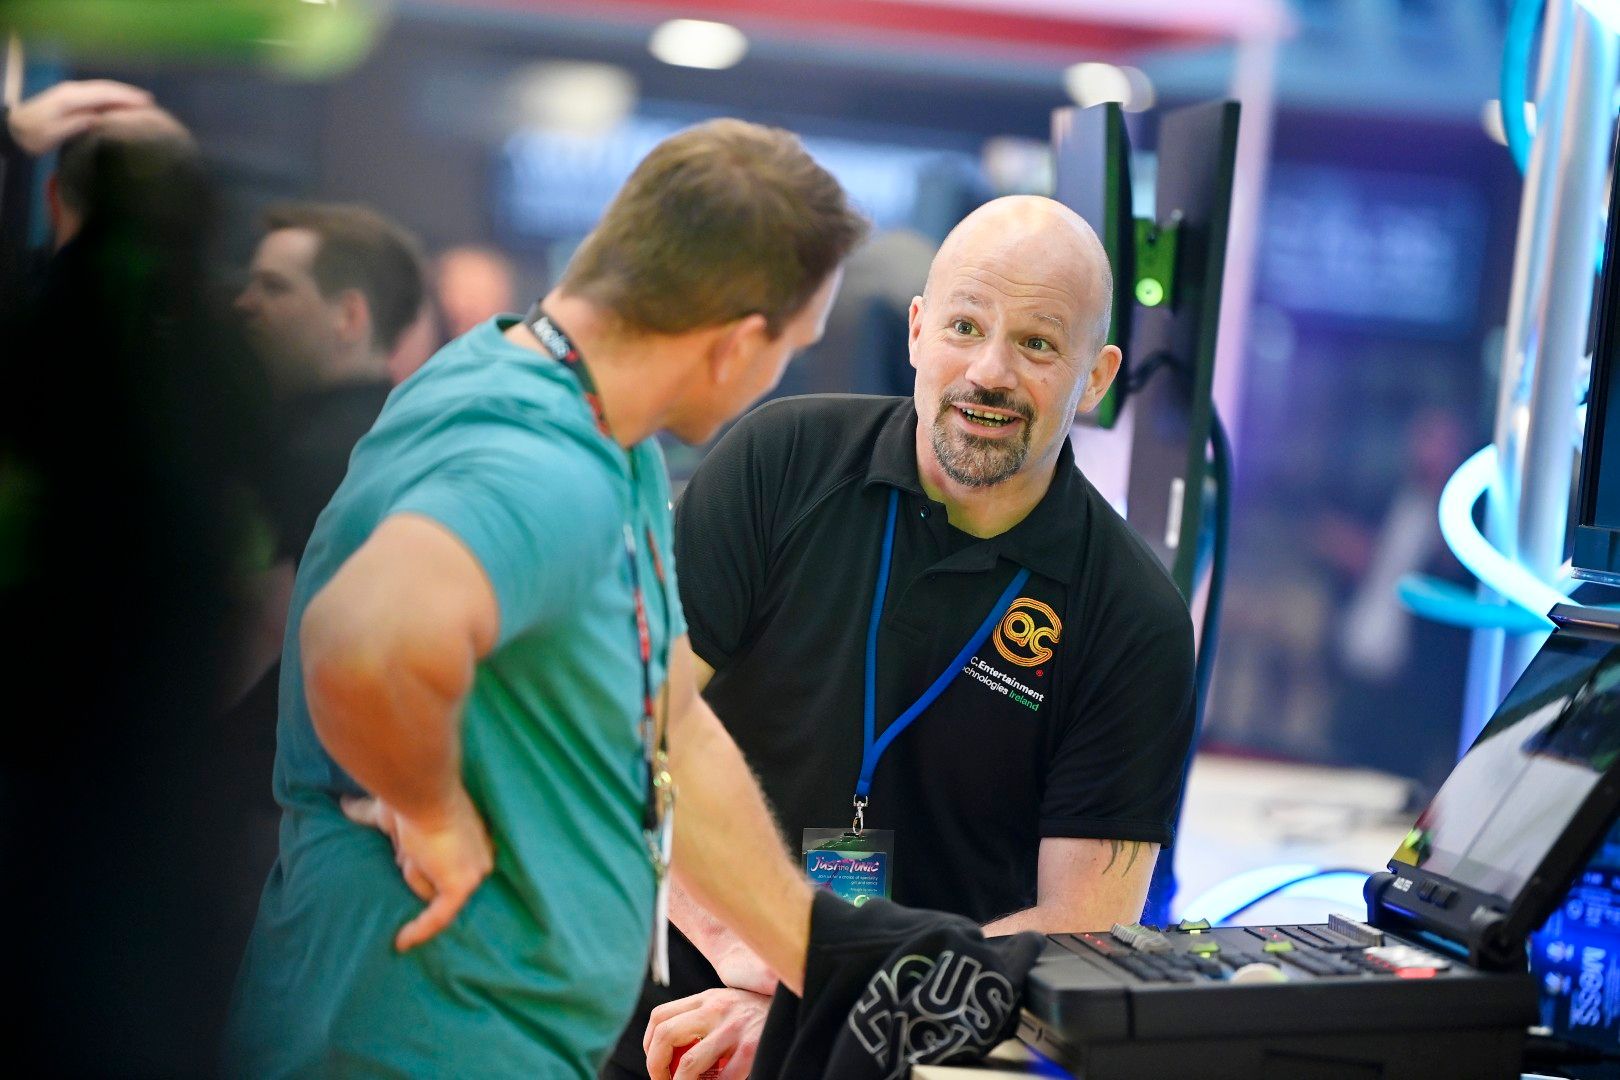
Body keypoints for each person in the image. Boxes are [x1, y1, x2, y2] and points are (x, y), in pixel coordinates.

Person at [223, 117, 868, 1077]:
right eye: (793, 346)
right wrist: (431, 808)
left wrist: (812, 959)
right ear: (737, 346)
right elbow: (363, 637)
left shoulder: (592, 421)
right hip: (415, 1040)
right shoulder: (541, 462)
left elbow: (668, 725)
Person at [618, 195, 1197, 1079]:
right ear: (920, 330)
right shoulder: (780, 462)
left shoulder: (1133, 618)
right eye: (966, 326)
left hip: (910, 1052)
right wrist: (753, 947)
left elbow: (1082, 929)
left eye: (1039, 344)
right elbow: (623, 729)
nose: (990, 372)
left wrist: (809, 988)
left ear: (1098, 375)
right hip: (678, 1015)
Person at [1, 83, 270, 1075]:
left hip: (44, 769)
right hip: (173, 789)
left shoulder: (42, 333)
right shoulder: (228, 364)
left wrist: (15, 147)